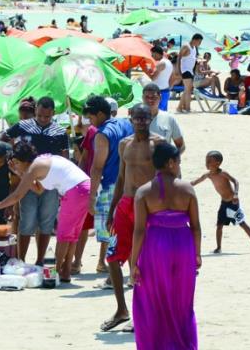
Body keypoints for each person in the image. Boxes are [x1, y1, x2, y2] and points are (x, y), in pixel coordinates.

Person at [130, 142, 201, 350]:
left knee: (151, 300)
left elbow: (139, 230)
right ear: (170, 163)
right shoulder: (187, 189)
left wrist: (134, 262)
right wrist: (197, 254)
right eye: (178, 161)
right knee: (182, 302)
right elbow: (196, 227)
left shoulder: (143, 193)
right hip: (183, 244)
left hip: (155, 246)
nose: (179, 165)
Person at [0, 143, 92, 283]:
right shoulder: (41, 162)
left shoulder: (34, 168)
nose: (16, 166)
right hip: (86, 188)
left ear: (25, 161)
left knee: (63, 235)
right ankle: (65, 272)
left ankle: (53, 273)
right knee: (71, 235)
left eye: (17, 163)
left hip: (74, 191)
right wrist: (20, 173)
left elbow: (17, 196)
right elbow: (39, 189)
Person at [101, 105, 159, 333]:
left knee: (144, 262)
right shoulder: (124, 143)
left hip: (148, 206)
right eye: (137, 118)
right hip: (125, 205)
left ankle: (142, 314)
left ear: (150, 118)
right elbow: (121, 177)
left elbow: (170, 177)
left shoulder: (159, 144)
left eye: (145, 117)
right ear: (131, 119)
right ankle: (121, 310)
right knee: (112, 258)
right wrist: (112, 209)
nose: (141, 121)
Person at [0, 96, 68, 264]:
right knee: (27, 219)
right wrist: (12, 156)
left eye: (47, 116)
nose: (43, 119)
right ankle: (21, 259)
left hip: (51, 182)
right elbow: (3, 138)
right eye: (40, 116)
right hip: (27, 180)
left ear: (53, 113)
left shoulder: (59, 132)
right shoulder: (24, 126)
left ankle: (39, 260)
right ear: (35, 111)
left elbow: (65, 157)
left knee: (46, 221)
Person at [83, 97, 133, 274]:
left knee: (110, 229)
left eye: (91, 117)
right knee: (127, 229)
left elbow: (97, 167)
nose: (90, 122)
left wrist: (91, 196)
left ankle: (112, 271)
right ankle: (105, 264)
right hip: (131, 185)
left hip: (112, 185)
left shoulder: (102, 134)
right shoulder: (127, 125)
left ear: (100, 114)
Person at [192, 151, 250, 254]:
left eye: (209, 161)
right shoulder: (208, 175)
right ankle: (218, 247)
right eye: (206, 160)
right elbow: (195, 182)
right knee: (219, 225)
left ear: (218, 163)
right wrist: (183, 186)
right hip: (223, 203)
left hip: (233, 202)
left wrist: (236, 194)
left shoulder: (223, 173)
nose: (207, 163)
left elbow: (235, 181)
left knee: (242, 223)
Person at [140, 84, 185, 153]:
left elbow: (180, 145)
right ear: (142, 97)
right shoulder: (135, 119)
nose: (150, 100)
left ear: (160, 98)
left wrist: (171, 159)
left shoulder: (169, 118)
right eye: (147, 97)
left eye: (154, 97)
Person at [176, 33, 203, 113]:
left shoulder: (194, 48)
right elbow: (179, 58)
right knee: (188, 89)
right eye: (199, 42)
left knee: (187, 90)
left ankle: (182, 107)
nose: (200, 44)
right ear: (195, 39)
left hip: (190, 71)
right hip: (184, 70)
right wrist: (179, 71)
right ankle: (185, 108)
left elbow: (191, 58)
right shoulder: (186, 46)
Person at [148, 46, 173, 111]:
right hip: (166, 90)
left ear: (156, 53)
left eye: (152, 54)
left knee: (157, 114)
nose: (152, 56)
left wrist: (146, 71)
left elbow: (153, 78)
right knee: (163, 115)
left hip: (159, 92)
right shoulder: (168, 62)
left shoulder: (161, 63)